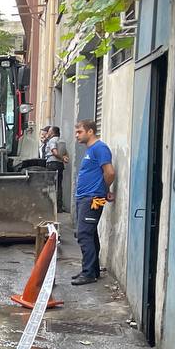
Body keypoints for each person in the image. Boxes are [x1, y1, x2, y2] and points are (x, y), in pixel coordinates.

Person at [71, 119, 115, 285]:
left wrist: (104, 190)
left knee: (84, 234)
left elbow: (109, 172)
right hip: (85, 198)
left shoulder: (100, 148)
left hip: (93, 198)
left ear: (90, 132)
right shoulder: (91, 150)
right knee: (90, 233)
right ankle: (93, 270)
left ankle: (88, 273)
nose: (77, 135)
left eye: (79, 132)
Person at [41, 126, 70, 212]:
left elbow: (55, 152)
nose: (48, 133)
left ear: (53, 132)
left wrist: (61, 158)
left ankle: (51, 206)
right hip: (60, 165)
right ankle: (59, 207)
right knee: (59, 185)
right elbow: (66, 153)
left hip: (52, 164)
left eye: (49, 131)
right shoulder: (62, 141)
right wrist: (64, 159)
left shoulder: (52, 140)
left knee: (50, 184)